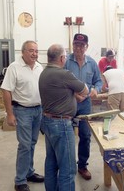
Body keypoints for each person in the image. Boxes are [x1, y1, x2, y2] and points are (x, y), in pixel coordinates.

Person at [39, 44, 89, 191]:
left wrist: (71, 94)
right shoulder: (64, 74)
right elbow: (84, 89)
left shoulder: (44, 73)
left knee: (51, 163)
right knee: (68, 169)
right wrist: (76, 91)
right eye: (65, 56)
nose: (66, 59)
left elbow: (57, 92)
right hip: (61, 125)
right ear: (61, 58)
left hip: (48, 122)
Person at [1, 40, 44, 191]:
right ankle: (20, 180)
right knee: (25, 146)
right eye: (31, 50)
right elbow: (6, 90)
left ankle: (29, 172)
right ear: (23, 52)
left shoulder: (39, 67)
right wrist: (10, 114)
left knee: (32, 143)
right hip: (22, 110)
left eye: (36, 51)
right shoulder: (14, 67)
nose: (35, 54)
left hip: (38, 110)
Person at [64, 33, 102, 180]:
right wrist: (73, 94)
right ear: (72, 45)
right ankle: (68, 166)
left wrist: (95, 90)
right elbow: (60, 82)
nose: (78, 48)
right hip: (68, 103)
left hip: (85, 105)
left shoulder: (92, 63)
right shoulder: (66, 61)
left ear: (87, 47)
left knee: (85, 136)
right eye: (76, 45)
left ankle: (82, 166)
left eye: (81, 45)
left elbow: (99, 81)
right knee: (66, 136)